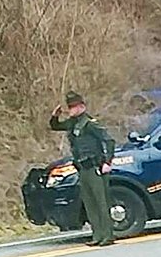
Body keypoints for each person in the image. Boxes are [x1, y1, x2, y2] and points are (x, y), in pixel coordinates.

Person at [49, 91, 117, 247]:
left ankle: (108, 234)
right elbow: (55, 126)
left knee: (101, 202)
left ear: (82, 107)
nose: (71, 110)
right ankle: (97, 235)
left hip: (95, 168)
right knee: (89, 203)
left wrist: (108, 162)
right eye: (70, 107)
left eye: (74, 107)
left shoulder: (90, 124)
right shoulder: (72, 123)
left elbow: (109, 141)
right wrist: (55, 115)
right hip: (82, 169)